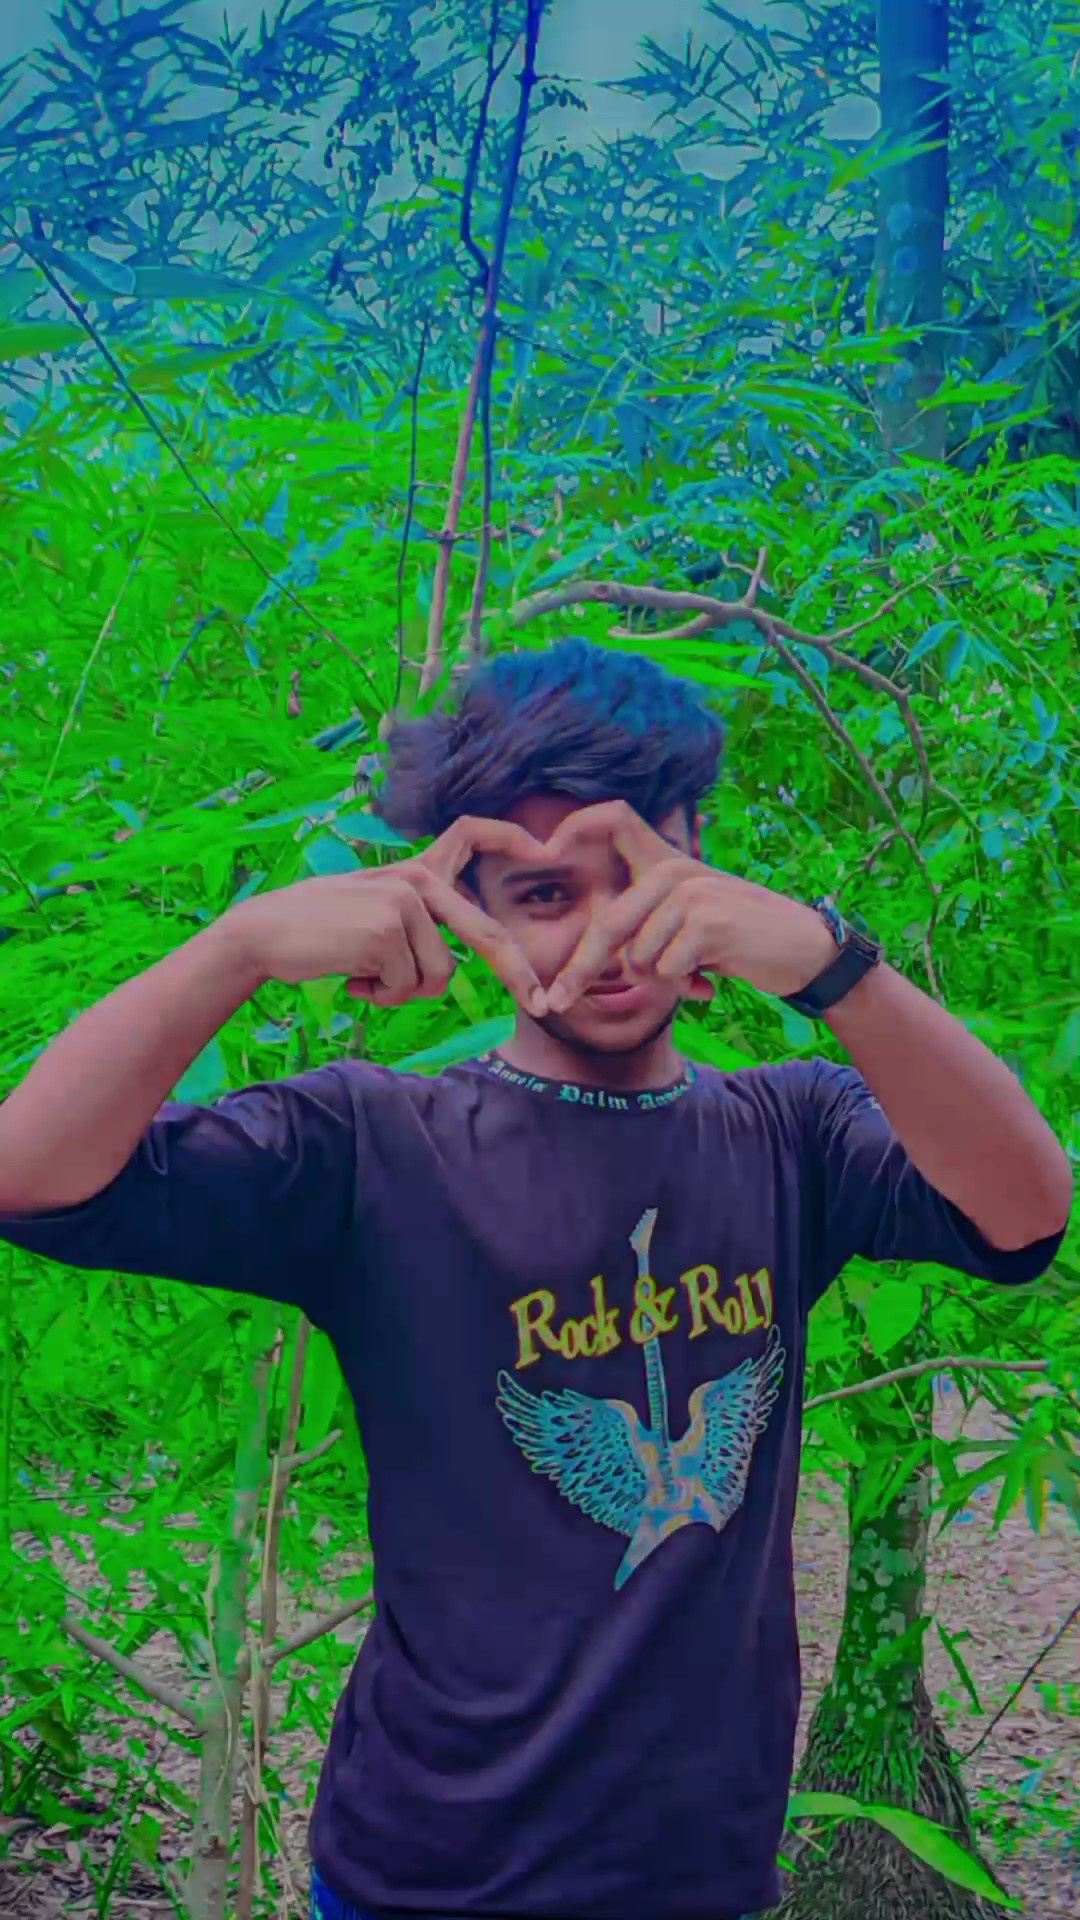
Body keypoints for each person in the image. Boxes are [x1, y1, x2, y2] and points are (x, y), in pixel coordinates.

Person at [0, 638, 1070, 1920]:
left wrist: (832, 964)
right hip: (426, 1871)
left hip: (702, 1869)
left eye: (641, 879)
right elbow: (28, 1174)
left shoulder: (792, 1132)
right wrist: (238, 948)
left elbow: (1024, 1213)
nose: (607, 937)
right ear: (467, 908)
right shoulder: (372, 1146)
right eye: (547, 893)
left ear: (705, 875)